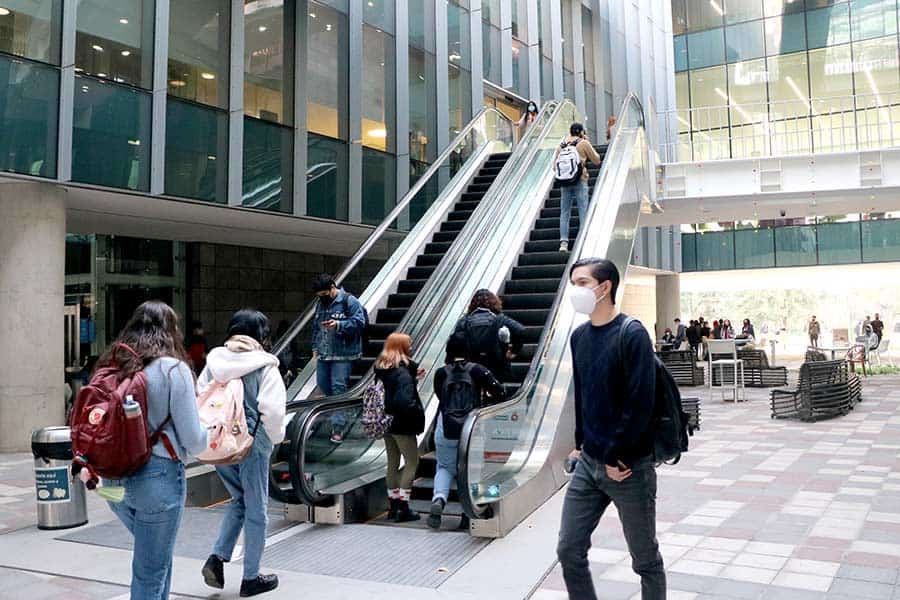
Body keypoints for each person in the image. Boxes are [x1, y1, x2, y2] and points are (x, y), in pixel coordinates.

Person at [557, 258, 665, 599]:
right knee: (569, 549)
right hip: (590, 463)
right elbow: (584, 396)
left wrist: (615, 454)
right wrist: (580, 443)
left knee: (644, 560)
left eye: (583, 283)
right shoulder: (579, 337)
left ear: (605, 288)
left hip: (628, 466)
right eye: (573, 282)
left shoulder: (631, 333)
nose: (575, 290)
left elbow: (640, 404)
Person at [101, 301, 208, 600]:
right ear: (171, 330)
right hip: (156, 482)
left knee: (157, 558)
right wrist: (213, 432)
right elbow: (194, 440)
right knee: (150, 571)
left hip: (111, 484)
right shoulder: (174, 370)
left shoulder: (113, 363)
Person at [200, 310, 287, 597]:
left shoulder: (213, 362)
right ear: (261, 335)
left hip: (219, 444)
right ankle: (251, 577)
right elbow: (272, 411)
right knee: (257, 509)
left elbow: (200, 396)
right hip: (252, 445)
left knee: (239, 500)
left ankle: (217, 558)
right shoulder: (266, 366)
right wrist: (272, 440)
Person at [429, 333, 505, 530]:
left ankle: (438, 500)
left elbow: (440, 396)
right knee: (475, 468)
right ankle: (468, 512)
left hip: (445, 426)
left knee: (444, 467)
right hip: (472, 428)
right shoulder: (478, 370)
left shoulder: (441, 372)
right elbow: (500, 391)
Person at [373, 333, 426, 523]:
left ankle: (393, 507)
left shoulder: (383, 369)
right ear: (402, 347)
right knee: (412, 462)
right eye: (409, 344)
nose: (411, 346)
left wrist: (414, 378)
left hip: (385, 422)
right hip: (402, 423)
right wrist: (416, 412)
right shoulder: (403, 372)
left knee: (392, 464)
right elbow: (404, 400)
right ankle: (404, 507)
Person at [311, 274, 367, 443]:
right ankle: (341, 412)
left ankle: (338, 427)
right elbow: (315, 326)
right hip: (324, 353)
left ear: (333, 288)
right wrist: (315, 346)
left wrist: (339, 325)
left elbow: (360, 322)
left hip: (344, 353)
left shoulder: (349, 301)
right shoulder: (320, 304)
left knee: (338, 387)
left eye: (324, 294)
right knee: (324, 386)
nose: (322, 298)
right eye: (319, 296)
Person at [452, 289, 526, 382]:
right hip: (497, 366)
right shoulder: (499, 318)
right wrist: (513, 352)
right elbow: (520, 330)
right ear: (494, 302)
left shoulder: (465, 320)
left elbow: (455, 342)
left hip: (472, 366)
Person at [554, 122, 603, 253]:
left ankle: (563, 243)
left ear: (570, 132)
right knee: (583, 210)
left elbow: (554, 167)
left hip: (565, 182)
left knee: (564, 212)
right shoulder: (583, 143)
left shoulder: (561, 146)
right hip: (580, 180)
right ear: (581, 132)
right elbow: (597, 160)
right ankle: (582, 241)